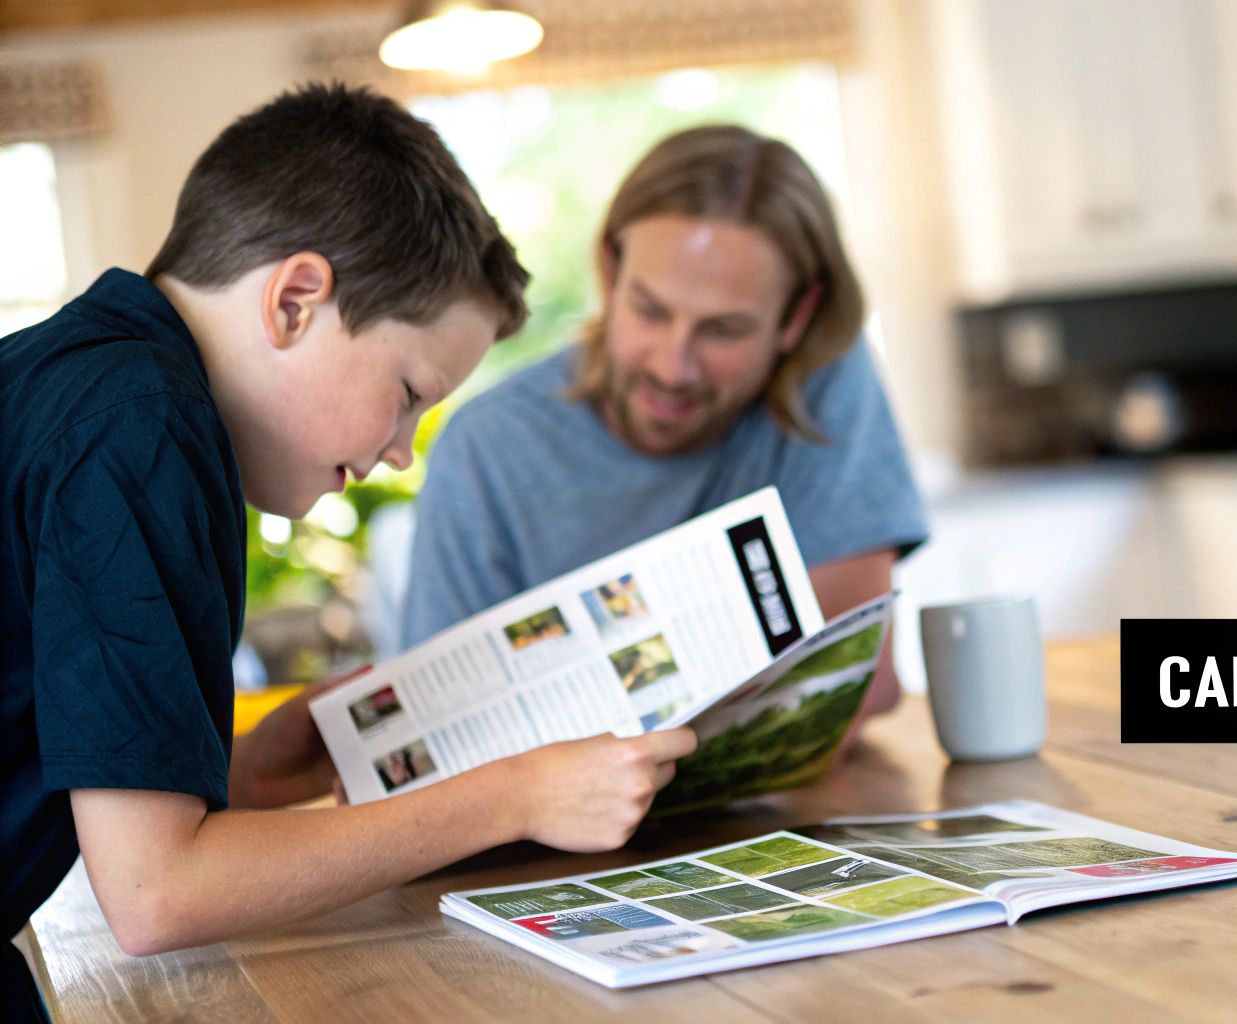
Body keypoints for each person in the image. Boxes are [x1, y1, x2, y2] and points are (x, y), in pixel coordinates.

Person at [0, 84, 695, 1013]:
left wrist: (243, 770)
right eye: (410, 392)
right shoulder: (141, 425)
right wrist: (514, 798)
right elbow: (157, 893)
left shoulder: (83, 381)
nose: (400, 451)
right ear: (295, 301)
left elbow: (95, 800)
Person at [401, 125, 927, 722]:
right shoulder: (487, 448)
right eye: (650, 312)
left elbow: (853, 683)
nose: (674, 368)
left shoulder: (824, 381)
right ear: (609, 272)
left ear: (797, 316)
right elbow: (440, 730)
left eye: (723, 330)